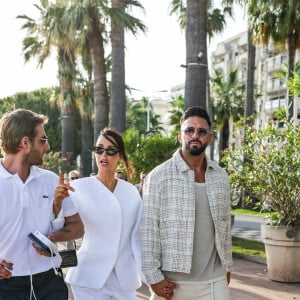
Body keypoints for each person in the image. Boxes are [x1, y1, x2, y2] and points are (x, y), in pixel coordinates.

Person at [140, 106, 233, 300]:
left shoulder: (221, 177)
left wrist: (227, 265)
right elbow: (148, 231)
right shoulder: (158, 177)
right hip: (172, 284)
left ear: (209, 137)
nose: (195, 136)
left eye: (201, 131)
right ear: (180, 136)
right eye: (189, 130)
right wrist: (153, 277)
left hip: (214, 280)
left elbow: (224, 228)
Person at [0, 109, 84, 300]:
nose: (47, 147)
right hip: (5, 288)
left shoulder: (51, 180)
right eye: (43, 140)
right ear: (25, 142)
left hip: (50, 283)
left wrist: (53, 237)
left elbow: (77, 227)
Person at [65, 127, 144, 300]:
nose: (104, 155)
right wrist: (56, 204)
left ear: (120, 156)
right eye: (99, 150)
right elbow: (60, 225)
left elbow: (136, 238)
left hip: (125, 279)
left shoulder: (131, 192)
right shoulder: (78, 188)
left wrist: (149, 277)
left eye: (110, 150)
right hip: (89, 278)